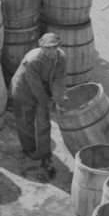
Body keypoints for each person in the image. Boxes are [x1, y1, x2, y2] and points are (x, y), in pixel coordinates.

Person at [9, 32, 67, 176]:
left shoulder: (61, 58)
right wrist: (47, 103)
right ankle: (29, 149)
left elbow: (59, 81)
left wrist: (58, 100)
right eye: (47, 48)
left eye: (54, 47)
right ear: (41, 47)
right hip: (23, 90)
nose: (51, 51)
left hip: (42, 88)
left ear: (58, 47)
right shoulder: (33, 60)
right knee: (25, 121)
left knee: (44, 123)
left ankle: (45, 154)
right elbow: (36, 88)